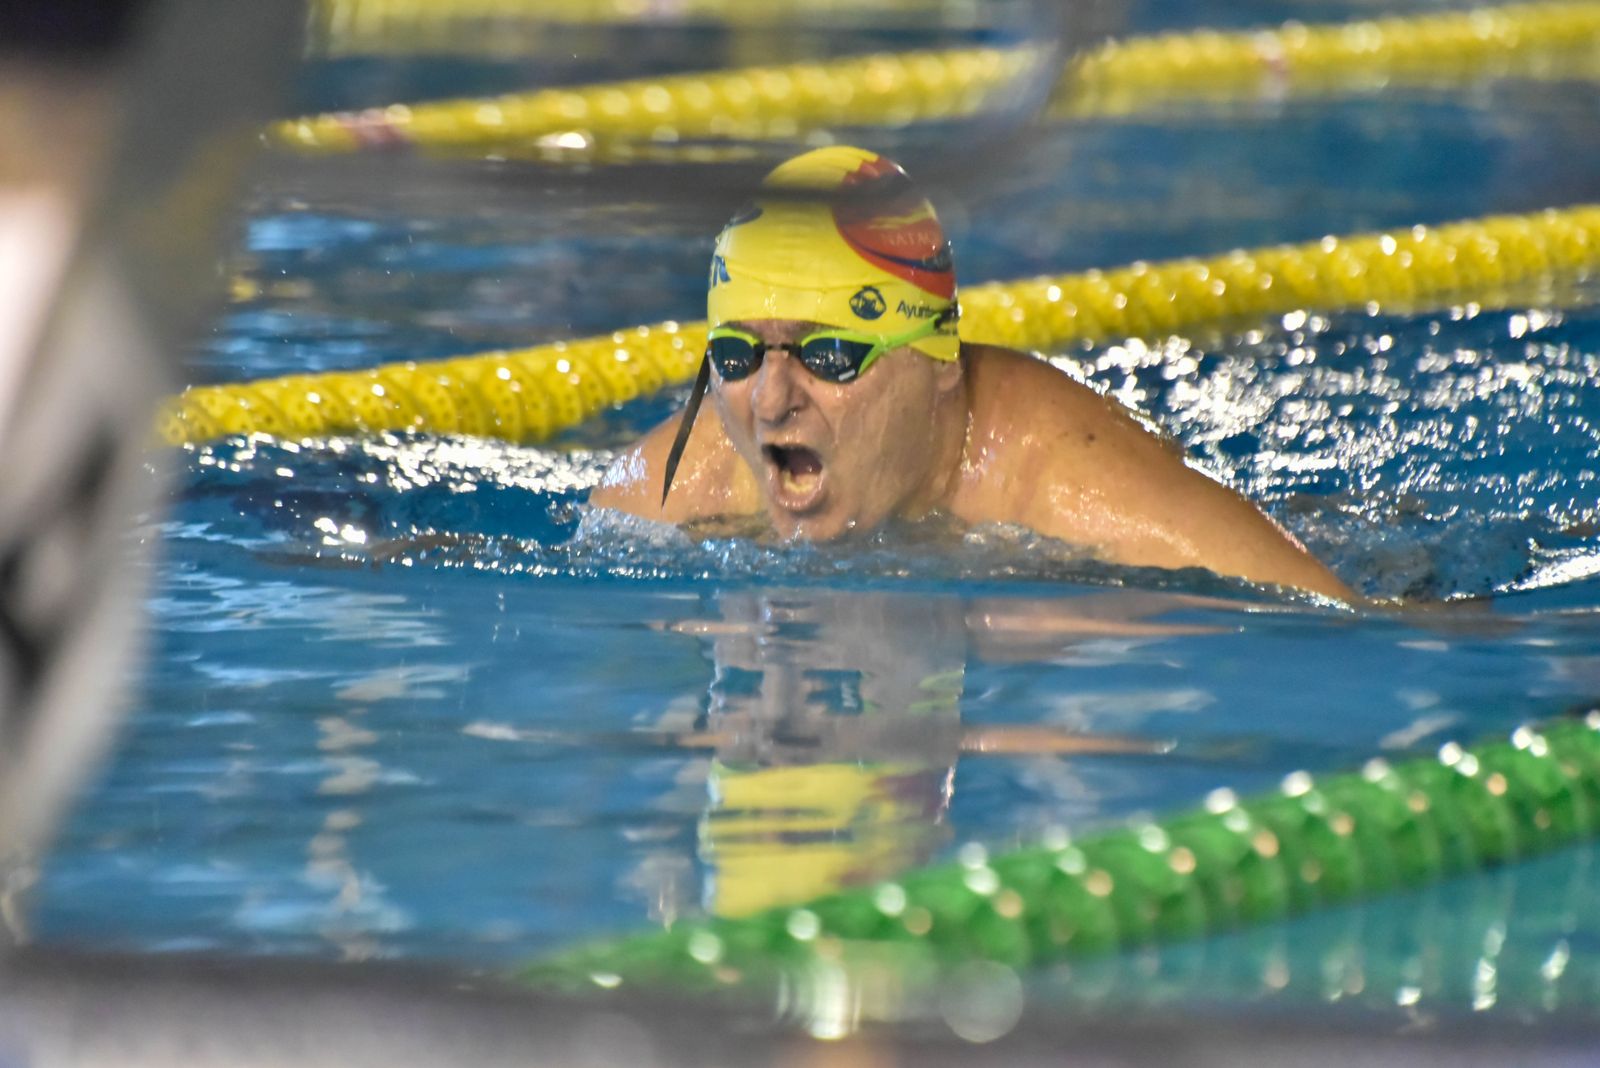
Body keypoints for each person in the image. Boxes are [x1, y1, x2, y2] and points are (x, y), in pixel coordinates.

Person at [590, 145, 1353, 602]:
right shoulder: (656, 498)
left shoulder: (1078, 487)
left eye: (829, 355)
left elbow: (1350, 623)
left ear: (938, 356)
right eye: (737, 355)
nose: (770, 399)